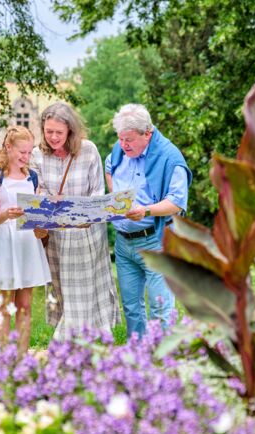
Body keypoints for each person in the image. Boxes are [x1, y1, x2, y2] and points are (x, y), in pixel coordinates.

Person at [30, 102, 121, 340]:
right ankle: (82, 343)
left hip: (85, 234)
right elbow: (36, 192)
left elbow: (97, 193)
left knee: (83, 293)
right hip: (55, 236)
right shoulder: (37, 154)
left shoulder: (89, 150)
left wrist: (68, 204)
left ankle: (69, 344)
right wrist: (47, 202)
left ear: (70, 130)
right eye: (48, 131)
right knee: (62, 292)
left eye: (58, 132)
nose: (53, 137)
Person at [105, 103, 192, 338]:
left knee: (161, 308)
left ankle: (163, 363)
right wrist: (117, 199)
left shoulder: (169, 157)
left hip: (156, 241)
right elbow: (109, 166)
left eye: (129, 140)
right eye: (121, 139)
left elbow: (177, 202)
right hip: (124, 244)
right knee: (132, 309)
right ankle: (138, 363)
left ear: (148, 134)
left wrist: (146, 211)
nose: (124, 145)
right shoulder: (119, 149)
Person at [0, 126, 51, 355]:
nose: (26, 157)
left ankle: (21, 356)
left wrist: (43, 220)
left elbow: (37, 212)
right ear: (8, 148)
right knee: (4, 306)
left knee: (25, 305)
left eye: (29, 152)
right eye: (22, 151)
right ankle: (1, 357)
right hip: (5, 242)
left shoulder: (32, 177)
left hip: (27, 243)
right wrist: (7, 214)